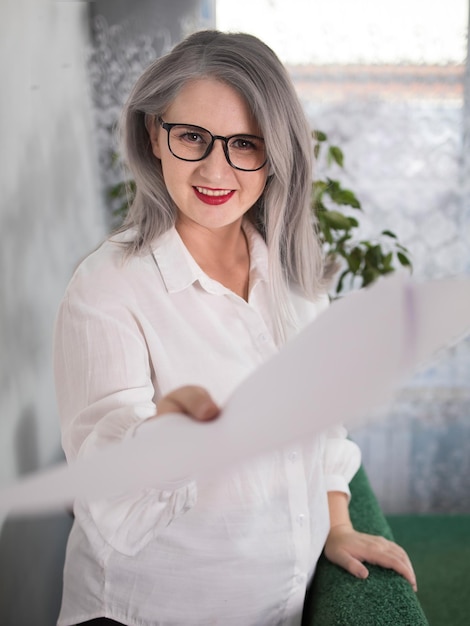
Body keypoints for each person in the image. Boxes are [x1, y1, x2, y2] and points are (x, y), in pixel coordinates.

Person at [54, 29, 416, 626]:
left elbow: (323, 427)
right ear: (155, 135)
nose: (216, 169)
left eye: (245, 144)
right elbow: (103, 483)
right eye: (193, 137)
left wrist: (339, 526)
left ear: (275, 154)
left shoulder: (296, 277)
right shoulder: (107, 285)